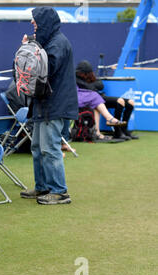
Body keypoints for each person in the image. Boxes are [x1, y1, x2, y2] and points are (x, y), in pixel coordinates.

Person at [19, 7, 78, 205]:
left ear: (45, 22)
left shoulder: (58, 43)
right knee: (37, 147)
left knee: (49, 148)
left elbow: (45, 69)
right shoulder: (51, 41)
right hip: (44, 105)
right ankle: (43, 187)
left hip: (54, 105)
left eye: (35, 22)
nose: (33, 25)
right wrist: (32, 47)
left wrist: (30, 48)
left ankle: (60, 192)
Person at [75, 60, 138, 140]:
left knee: (130, 102)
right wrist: (92, 86)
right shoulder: (75, 77)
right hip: (92, 99)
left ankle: (124, 130)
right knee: (120, 101)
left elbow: (100, 85)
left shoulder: (90, 76)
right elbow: (90, 87)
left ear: (87, 73)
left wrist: (91, 86)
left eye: (82, 72)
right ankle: (117, 132)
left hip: (99, 97)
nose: (80, 74)